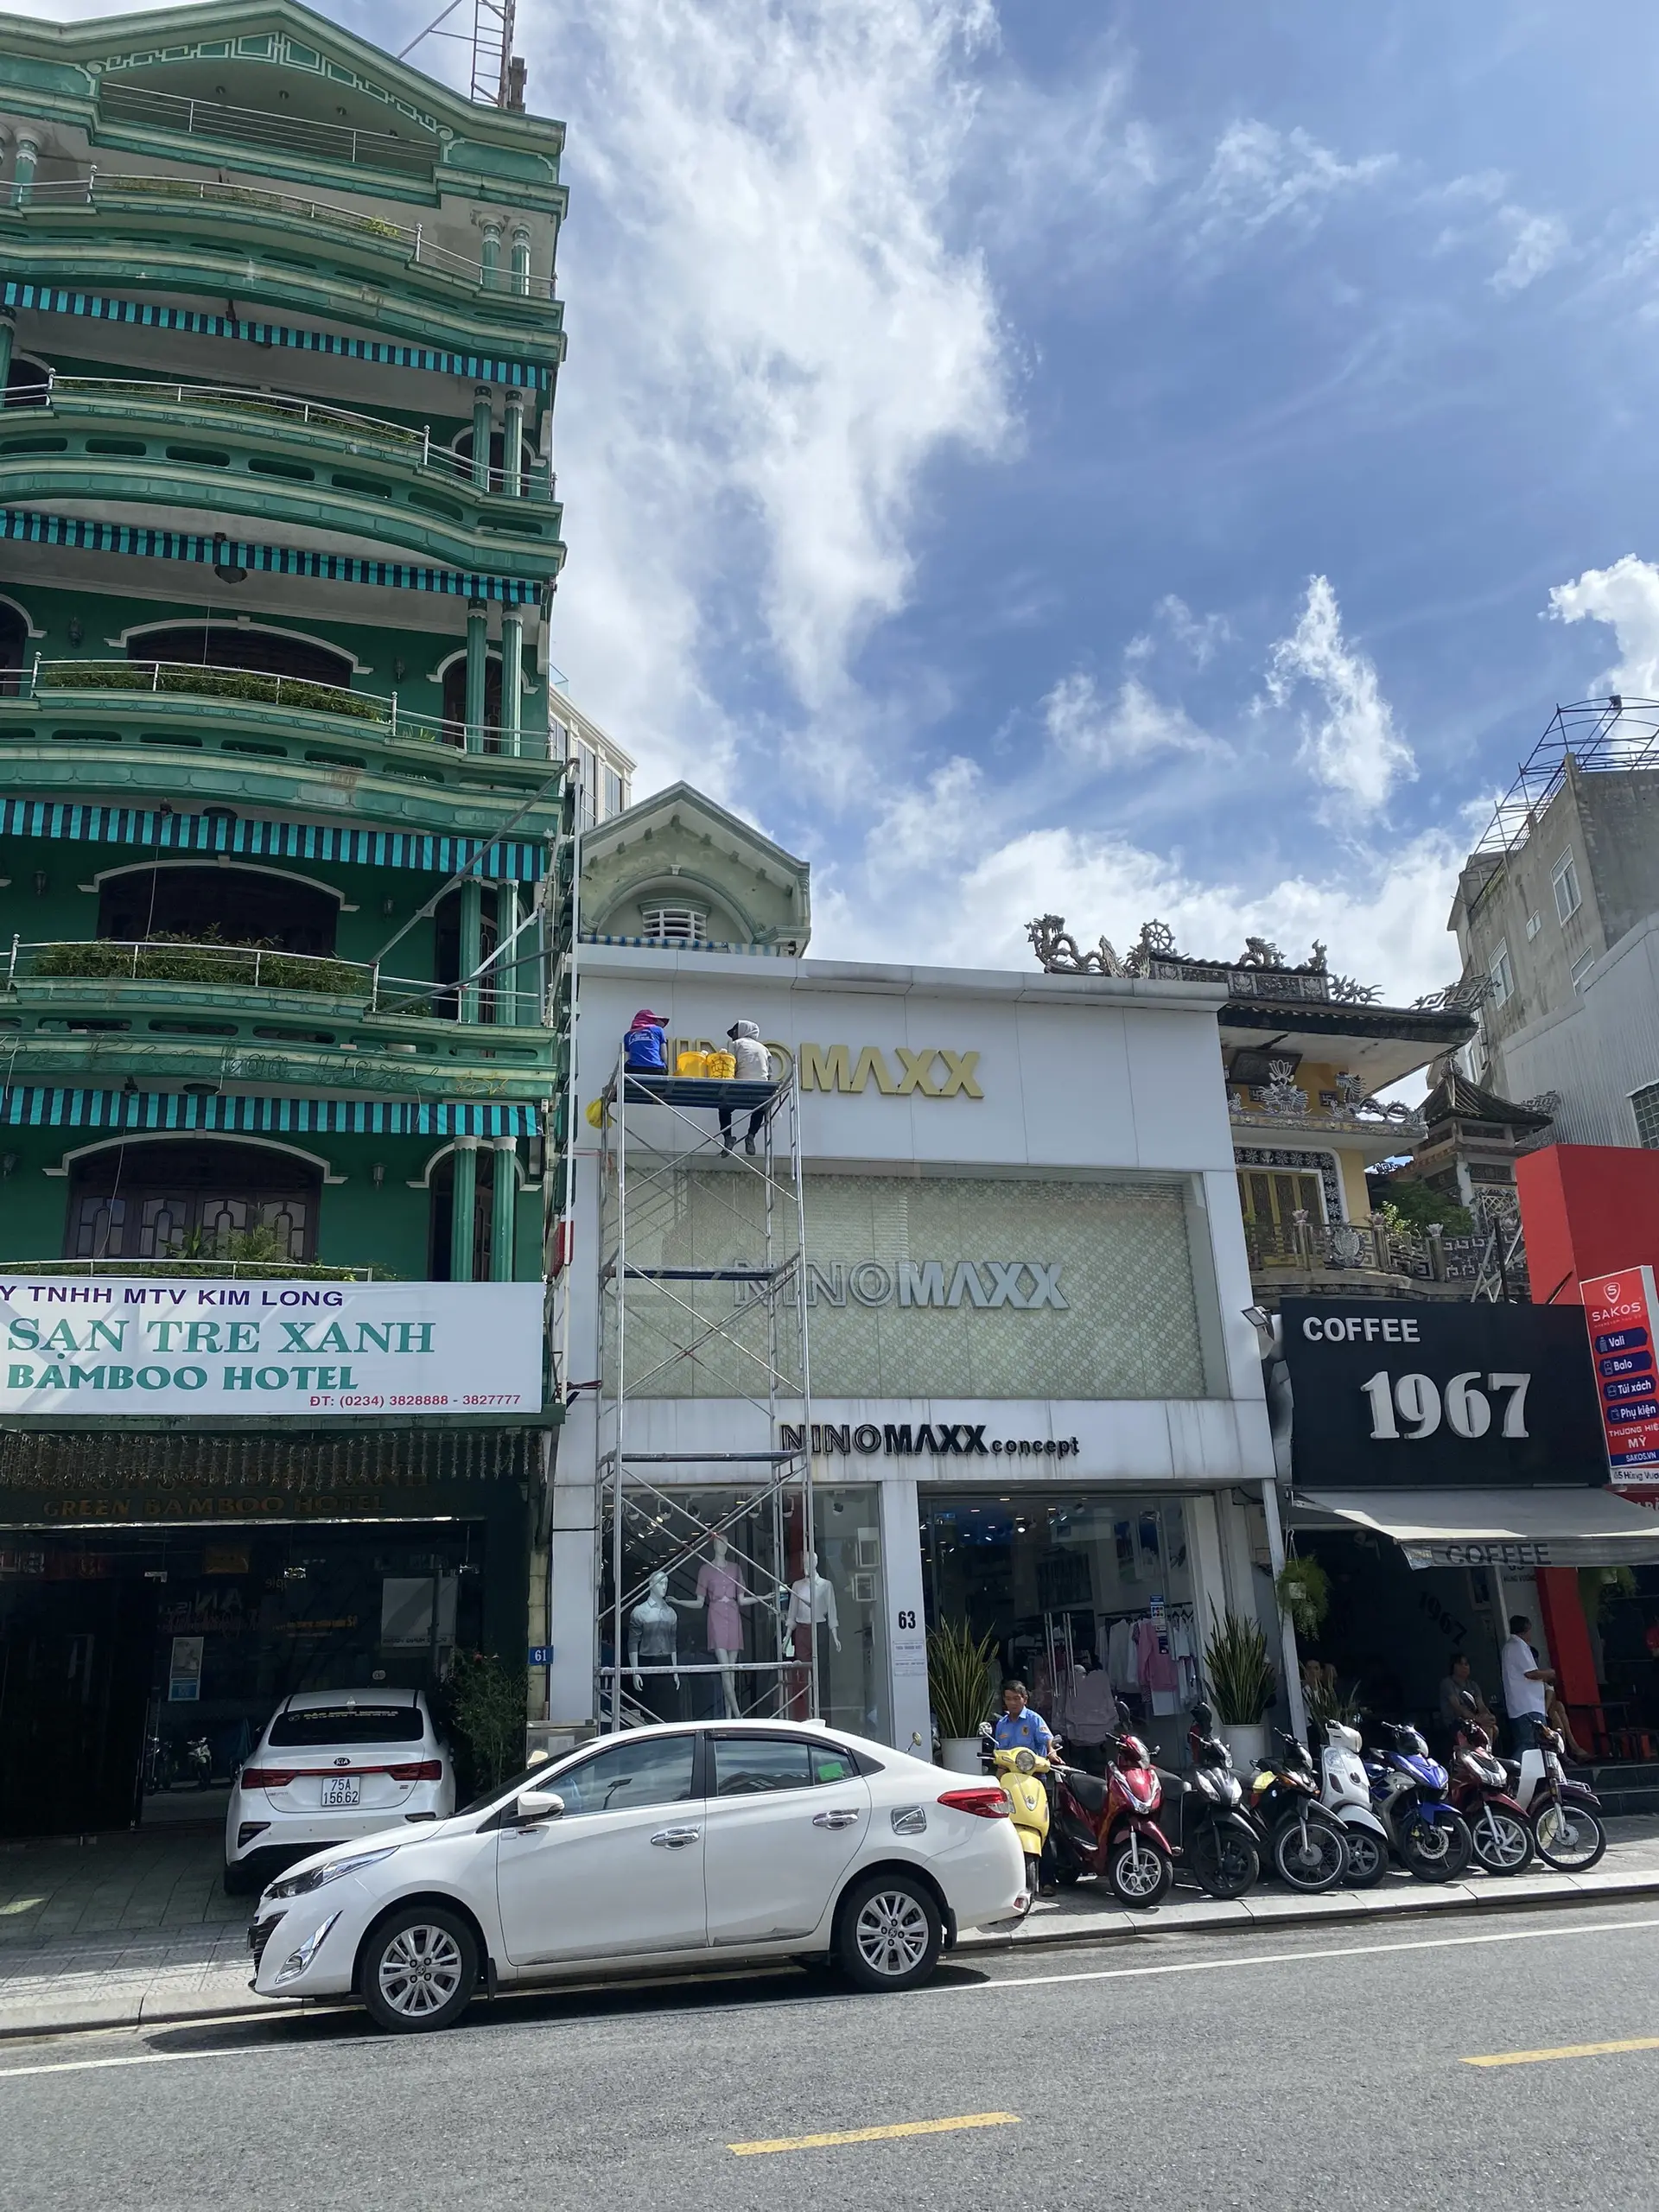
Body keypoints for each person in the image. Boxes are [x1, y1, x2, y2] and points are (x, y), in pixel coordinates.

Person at [1500, 1613, 1554, 1753]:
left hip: (1524, 1706)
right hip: (1528, 1706)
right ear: (1526, 1629)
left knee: (1532, 1745)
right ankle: (1516, 1767)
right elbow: (1531, 1673)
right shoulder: (1518, 1646)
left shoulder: (1511, 1646)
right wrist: (1549, 1673)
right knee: (1529, 1745)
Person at [718, 1019, 770, 1154]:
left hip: (740, 1086)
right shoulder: (764, 1049)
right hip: (761, 1088)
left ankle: (728, 1137)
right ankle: (751, 1135)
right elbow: (769, 1073)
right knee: (760, 1108)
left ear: (742, 1031)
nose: (733, 1035)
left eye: (734, 1032)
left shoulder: (735, 1044)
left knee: (724, 1107)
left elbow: (730, 1066)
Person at [1439, 1652, 1497, 1742]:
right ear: (1453, 1667)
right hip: (1455, 1722)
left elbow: (1481, 1706)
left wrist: (1489, 1717)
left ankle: (1485, 1750)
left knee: (1493, 1728)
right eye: (1460, 1664)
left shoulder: (1473, 1685)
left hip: (1474, 1721)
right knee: (1483, 1729)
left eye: (1466, 1664)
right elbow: (1458, 1708)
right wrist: (1478, 1719)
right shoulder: (1447, 1684)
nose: (1464, 1667)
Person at [992, 1679, 1054, 1758]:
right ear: (1004, 1700)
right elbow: (998, 1750)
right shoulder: (1001, 1724)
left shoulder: (1034, 1719)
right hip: (1008, 1765)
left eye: (1016, 1698)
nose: (1012, 1703)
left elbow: (1048, 1739)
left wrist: (1052, 1751)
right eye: (1008, 1699)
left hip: (1033, 1764)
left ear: (1025, 1699)